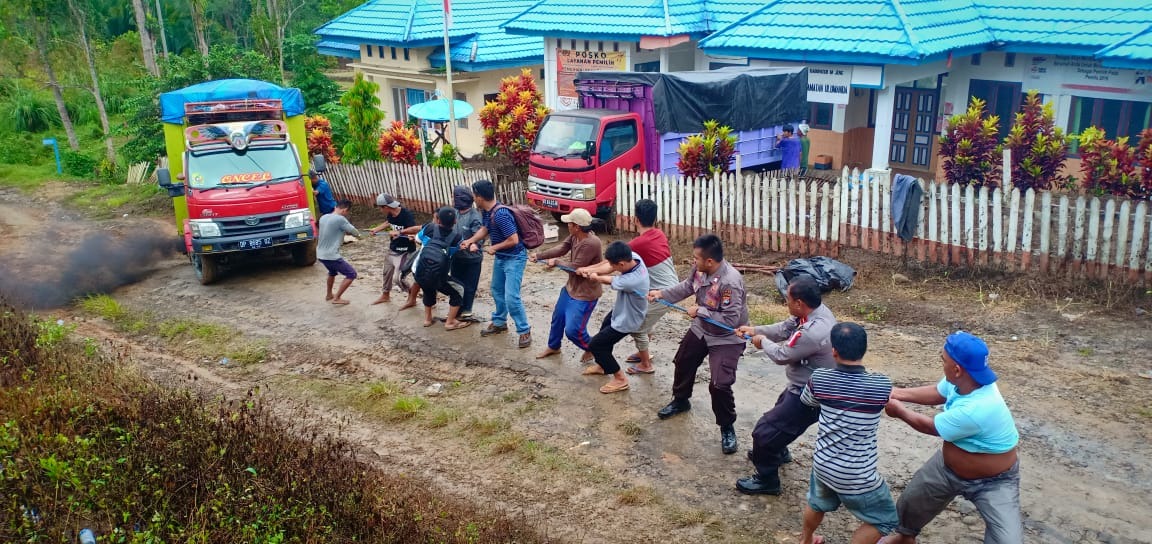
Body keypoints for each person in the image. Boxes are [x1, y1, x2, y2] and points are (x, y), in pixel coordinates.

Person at [882, 332, 1022, 544]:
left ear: (957, 369)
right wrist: (898, 392)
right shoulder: (966, 381)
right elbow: (938, 392)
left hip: (994, 482)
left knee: (1007, 541)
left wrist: (899, 411)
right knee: (912, 502)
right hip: (947, 468)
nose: (941, 362)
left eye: (943, 360)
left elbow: (929, 426)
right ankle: (904, 538)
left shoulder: (978, 408)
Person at [796, 322, 899, 544]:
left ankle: (806, 540)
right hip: (857, 474)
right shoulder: (880, 385)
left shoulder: (820, 378)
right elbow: (889, 406)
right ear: (864, 350)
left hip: (823, 464)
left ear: (834, 351)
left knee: (816, 503)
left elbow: (807, 400)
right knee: (885, 520)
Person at [734, 277, 837, 495]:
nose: (786, 303)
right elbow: (785, 328)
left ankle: (767, 480)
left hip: (809, 394)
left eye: (787, 299)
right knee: (779, 419)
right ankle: (777, 452)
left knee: (763, 432)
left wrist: (762, 342)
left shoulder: (813, 330)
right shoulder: (813, 313)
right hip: (802, 385)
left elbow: (783, 355)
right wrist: (755, 330)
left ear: (799, 303)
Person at [648, 234, 748, 454]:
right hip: (702, 329)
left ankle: (726, 426)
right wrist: (661, 294)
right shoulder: (700, 271)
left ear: (710, 261)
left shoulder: (730, 282)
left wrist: (701, 310)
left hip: (727, 337)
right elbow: (686, 287)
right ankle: (681, 400)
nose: (693, 262)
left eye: (696, 258)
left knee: (719, 384)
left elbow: (731, 320)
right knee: (683, 361)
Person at [576, 198, 678, 374]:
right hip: (667, 288)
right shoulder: (658, 234)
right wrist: (588, 269)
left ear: (635, 219)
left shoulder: (638, 244)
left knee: (637, 326)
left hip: (662, 294)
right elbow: (611, 264)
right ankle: (638, 353)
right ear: (654, 219)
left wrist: (587, 269)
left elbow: (610, 265)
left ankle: (646, 364)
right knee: (630, 318)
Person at [460, 180, 532, 348]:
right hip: (502, 257)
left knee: (511, 297)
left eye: (474, 195)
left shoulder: (500, 214)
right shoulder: (488, 211)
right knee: (496, 290)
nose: (473, 199)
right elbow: (485, 229)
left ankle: (524, 330)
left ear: (479, 197)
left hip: (514, 258)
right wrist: (471, 240)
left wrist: (495, 247)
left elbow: (513, 240)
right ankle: (499, 322)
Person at [531, 208, 603, 362]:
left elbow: (575, 268)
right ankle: (554, 346)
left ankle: (593, 349)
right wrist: (539, 255)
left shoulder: (591, 243)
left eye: (569, 223)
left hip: (585, 294)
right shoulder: (575, 236)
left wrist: (556, 262)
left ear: (577, 226)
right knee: (557, 318)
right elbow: (561, 249)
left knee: (573, 330)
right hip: (571, 288)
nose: (567, 225)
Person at [579, 241, 649, 394]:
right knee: (605, 326)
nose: (612, 266)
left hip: (628, 319)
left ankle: (620, 379)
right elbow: (608, 266)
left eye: (615, 265)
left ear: (622, 263)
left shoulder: (633, 280)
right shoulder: (634, 258)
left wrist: (595, 276)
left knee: (597, 345)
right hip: (621, 310)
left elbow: (608, 279)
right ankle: (603, 365)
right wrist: (588, 269)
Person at [415, 206, 470, 331]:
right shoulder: (456, 237)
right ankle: (450, 322)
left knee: (428, 289)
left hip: (421, 271)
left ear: (438, 220)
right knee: (459, 290)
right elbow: (455, 251)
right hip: (439, 275)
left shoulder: (429, 228)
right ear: (455, 222)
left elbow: (418, 239)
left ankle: (428, 319)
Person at [369, 194, 420, 307]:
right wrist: (376, 229)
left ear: (386, 207)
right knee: (386, 272)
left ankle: (412, 296)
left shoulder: (406, 215)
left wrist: (401, 233)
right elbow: (388, 223)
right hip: (393, 248)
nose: (380, 210)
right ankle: (385, 295)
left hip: (406, 251)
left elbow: (414, 231)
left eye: (380, 207)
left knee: (398, 278)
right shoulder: (390, 214)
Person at [316, 199, 361, 305]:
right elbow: (354, 231)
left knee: (332, 272)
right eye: (347, 212)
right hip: (331, 255)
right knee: (351, 274)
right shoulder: (340, 219)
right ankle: (337, 298)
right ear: (345, 210)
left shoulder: (323, 217)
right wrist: (359, 234)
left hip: (320, 254)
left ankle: (329, 295)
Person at [450, 185, 485, 321]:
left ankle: (467, 310)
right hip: (456, 256)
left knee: (470, 286)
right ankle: (456, 308)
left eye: (454, 197)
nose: (452, 200)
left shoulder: (475, 216)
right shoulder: (454, 213)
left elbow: (480, 235)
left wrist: (475, 244)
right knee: (456, 283)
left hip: (472, 259)